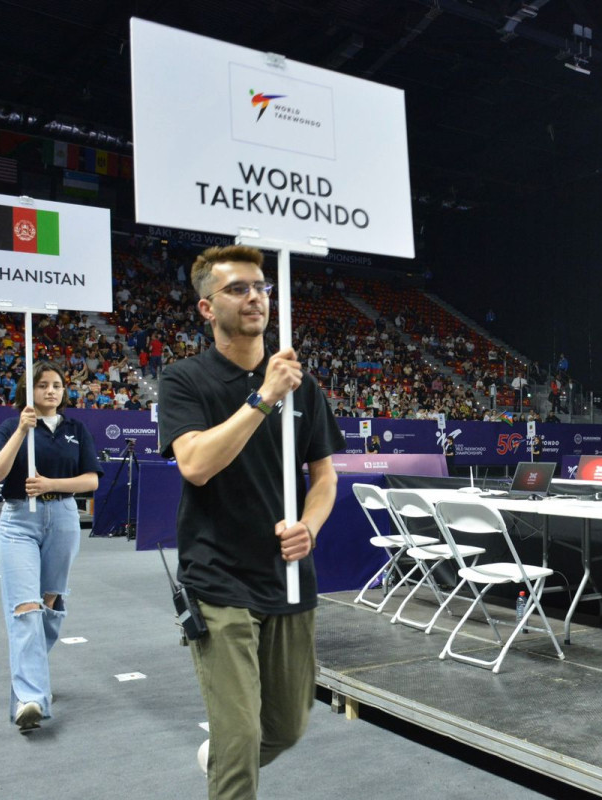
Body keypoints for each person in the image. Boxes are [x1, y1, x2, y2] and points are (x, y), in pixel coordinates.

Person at [157, 245, 346, 798]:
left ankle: (225, 757)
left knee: (286, 727)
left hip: (287, 577)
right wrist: (265, 395)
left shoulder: (303, 385)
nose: (254, 297)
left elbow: (326, 477)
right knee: (238, 737)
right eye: (237, 289)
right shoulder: (185, 379)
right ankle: (230, 759)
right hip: (217, 577)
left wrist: (310, 526)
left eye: (261, 287)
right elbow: (194, 465)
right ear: (206, 308)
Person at [0, 361, 101, 732]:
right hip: (19, 520)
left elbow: (90, 482)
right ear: (29, 390)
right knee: (25, 607)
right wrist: (21, 430)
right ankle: (31, 697)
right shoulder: (11, 426)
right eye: (42, 385)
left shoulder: (75, 429)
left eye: (57, 385)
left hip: (64, 518)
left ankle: (30, 673)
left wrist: (52, 481)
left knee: (49, 604)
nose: (51, 391)